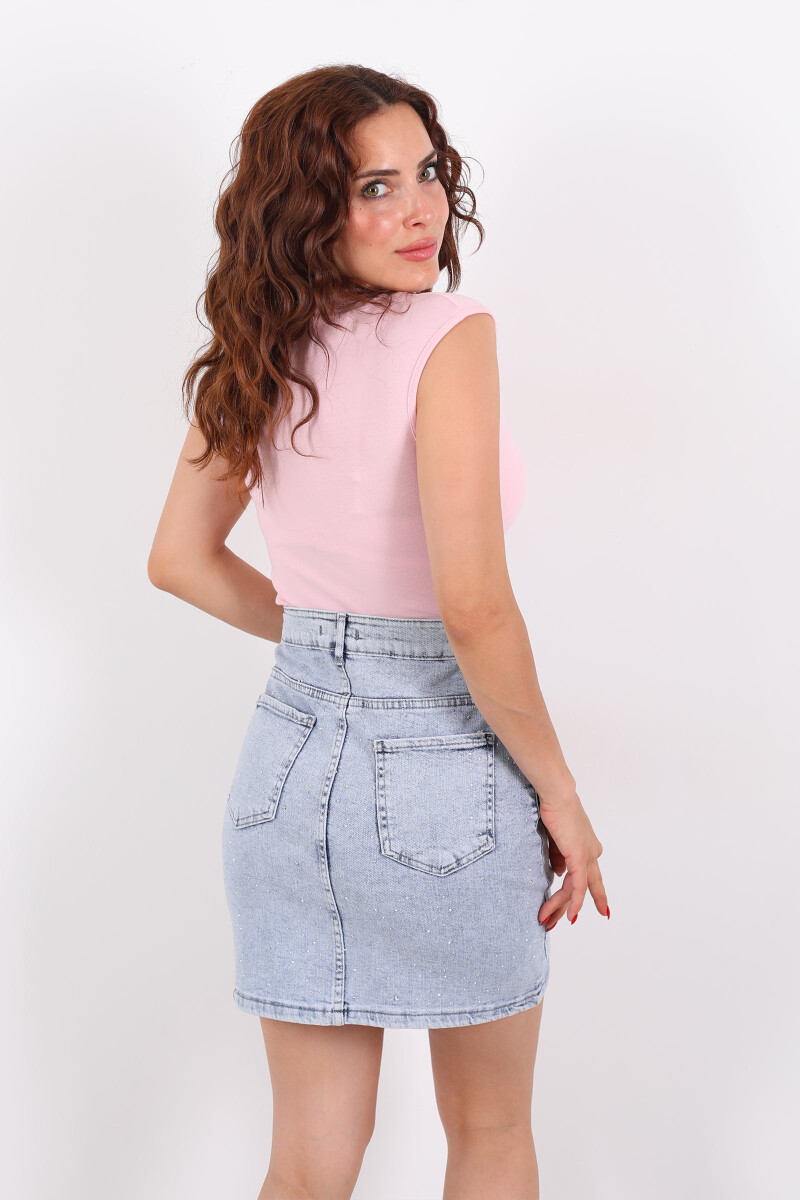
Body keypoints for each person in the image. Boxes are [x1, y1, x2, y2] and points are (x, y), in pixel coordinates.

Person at [148, 63, 608, 1200]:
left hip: (284, 770)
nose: (419, 211)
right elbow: (474, 607)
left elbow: (179, 560)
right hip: (442, 770)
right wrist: (559, 794)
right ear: (307, 207)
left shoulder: (258, 347)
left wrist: (323, 637)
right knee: (489, 1131)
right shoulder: (447, 333)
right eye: (373, 187)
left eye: (428, 174)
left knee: (307, 1162)